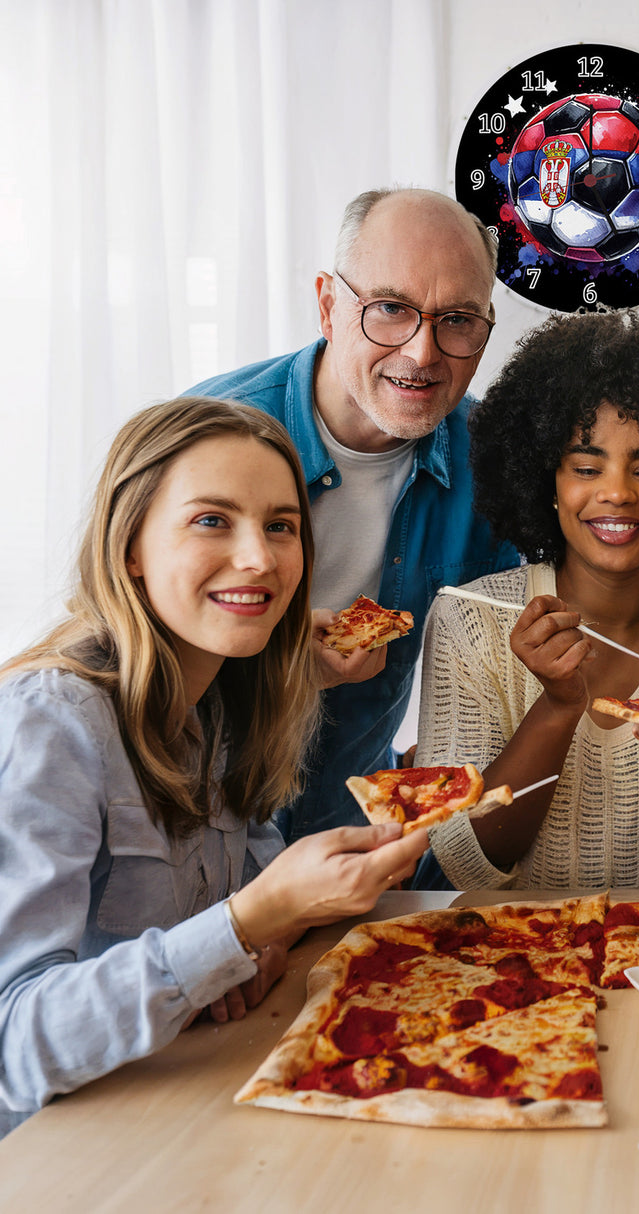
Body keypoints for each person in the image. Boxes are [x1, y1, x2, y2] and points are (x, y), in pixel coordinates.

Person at [0, 398, 428, 1137]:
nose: (260, 558)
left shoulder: (224, 694)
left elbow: (242, 894)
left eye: (280, 526)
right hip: (58, 1154)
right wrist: (253, 920)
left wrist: (253, 944)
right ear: (130, 545)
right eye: (211, 520)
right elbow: (12, 1045)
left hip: (180, 1103)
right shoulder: (50, 720)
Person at [189, 188, 518, 843]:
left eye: (457, 319)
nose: (423, 354)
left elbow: (498, 677)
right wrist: (280, 664)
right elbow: (119, 664)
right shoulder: (201, 438)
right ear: (328, 304)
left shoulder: (498, 466)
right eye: (391, 309)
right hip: (191, 839)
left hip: (355, 843)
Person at [413, 310, 639, 890]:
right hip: (508, 964)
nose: (616, 493)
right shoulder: (470, 619)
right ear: (547, 482)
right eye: (586, 466)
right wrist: (558, 705)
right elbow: (467, 864)